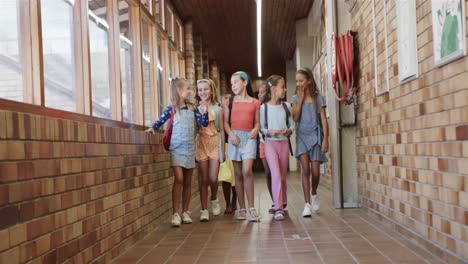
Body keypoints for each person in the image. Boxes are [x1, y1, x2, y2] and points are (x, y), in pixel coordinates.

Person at [146, 77, 208, 227]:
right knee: (179, 178)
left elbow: (203, 123)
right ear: (179, 91)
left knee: (187, 181)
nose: (191, 91)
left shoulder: (193, 108)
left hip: (189, 149)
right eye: (188, 89)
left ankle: (185, 212)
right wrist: (153, 128)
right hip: (176, 149)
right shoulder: (171, 109)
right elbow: (160, 120)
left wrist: (204, 112)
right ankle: (175, 213)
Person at [291, 68, 329, 217]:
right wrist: (300, 99)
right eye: (297, 81)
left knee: (315, 172)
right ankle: (307, 204)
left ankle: (314, 193)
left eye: (301, 80)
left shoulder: (318, 99)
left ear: (309, 81)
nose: (298, 84)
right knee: (305, 170)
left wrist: (326, 139)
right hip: (302, 137)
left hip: (316, 136)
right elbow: (295, 118)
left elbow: (324, 120)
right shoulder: (295, 98)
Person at [224, 71, 261, 222]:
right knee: (238, 174)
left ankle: (252, 208)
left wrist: (256, 129)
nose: (233, 86)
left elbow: (257, 122)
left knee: (247, 171)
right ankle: (242, 209)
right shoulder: (229, 102)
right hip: (234, 139)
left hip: (249, 138)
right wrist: (231, 135)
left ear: (245, 82)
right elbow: (225, 123)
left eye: (236, 82)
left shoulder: (255, 102)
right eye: (231, 83)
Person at [260, 75, 294, 221]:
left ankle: (282, 200)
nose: (285, 89)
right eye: (282, 87)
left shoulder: (287, 106)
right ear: (273, 89)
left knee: (283, 176)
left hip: (284, 143)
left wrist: (289, 130)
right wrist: (269, 132)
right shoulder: (263, 108)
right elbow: (261, 128)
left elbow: (292, 124)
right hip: (269, 143)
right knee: (275, 174)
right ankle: (278, 208)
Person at [195, 78, 225, 222]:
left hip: (215, 142)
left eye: (205, 89)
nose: (203, 92)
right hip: (202, 143)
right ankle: (204, 210)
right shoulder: (196, 108)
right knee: (204, 179)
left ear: (211, 90)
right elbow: (195, 128)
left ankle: (214, 198)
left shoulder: (218, 109)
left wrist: (223, 150)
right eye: (200, 89)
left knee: (213, 178)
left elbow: (222, 130)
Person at [257, 84, 274, 214]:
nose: (259, 95)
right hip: (263, 143)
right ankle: (274, 201)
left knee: (276, 173)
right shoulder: (257, 108)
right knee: (268, 173)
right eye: (259, 93)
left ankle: (280, 199)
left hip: (274, 143)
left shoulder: (274, 107)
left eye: (262, 92)